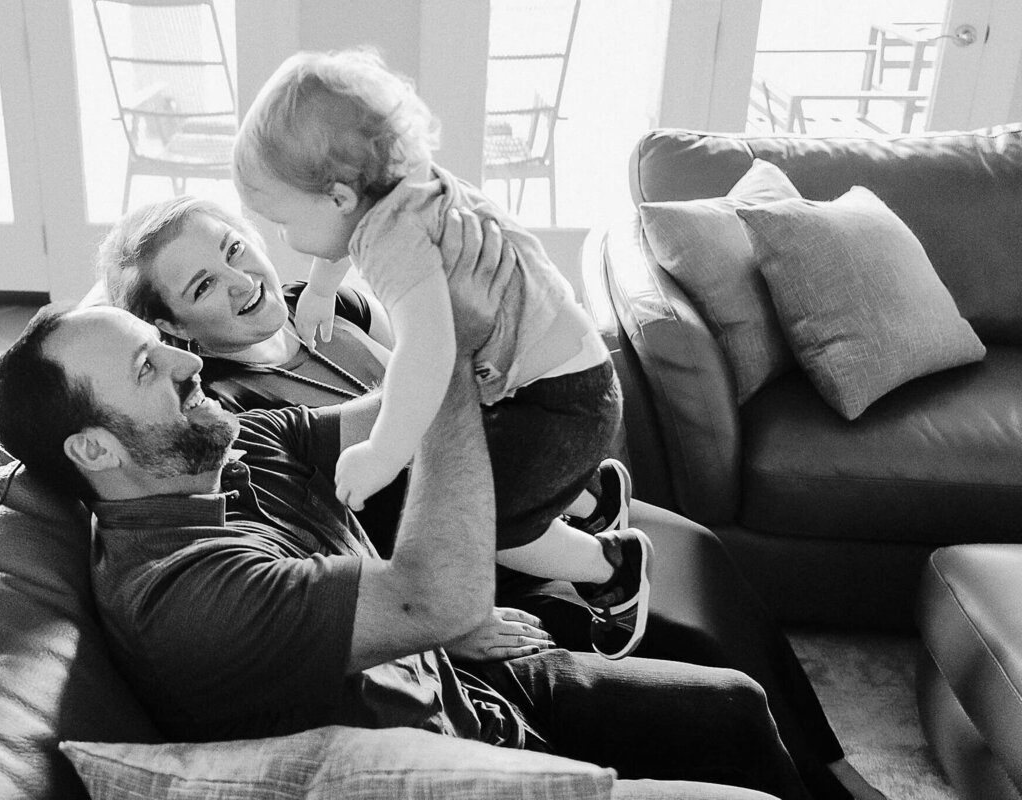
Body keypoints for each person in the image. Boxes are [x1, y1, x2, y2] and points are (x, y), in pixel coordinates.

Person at [97, 195, 889, 800]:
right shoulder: (235, 411)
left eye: (236, 251)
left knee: (693, 548)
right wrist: (460, 616)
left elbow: (440, 366)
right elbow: (359, 537)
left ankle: (823, 766)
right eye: (206, 284)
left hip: (490, 494)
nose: (241, 282)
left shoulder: (327, 304)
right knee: (684, 626)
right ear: (178, 334)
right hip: (452, 545)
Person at [0, 301, 812, 799]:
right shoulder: (183, 595)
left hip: (479, 696)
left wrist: (467, 331)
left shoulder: (239, 448)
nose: (186, 356)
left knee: (733, 703)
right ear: (97, 451)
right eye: (147, 364)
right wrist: (443, 360)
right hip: (454, 772)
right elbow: (437, 595)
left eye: (162, 338)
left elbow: (396, 416)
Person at [231, 48, 651, 659]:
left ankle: (613, 567)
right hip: (571, 374)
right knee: (501, 456)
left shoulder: (389, 241)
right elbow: (343, 237)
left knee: (488, 524)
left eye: (283, 223)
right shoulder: (411, 187)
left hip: (553, 403)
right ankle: (594, 495)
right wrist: (322, 288)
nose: (286, 242)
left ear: (341, 199)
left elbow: (429, 351)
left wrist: (385, 452)